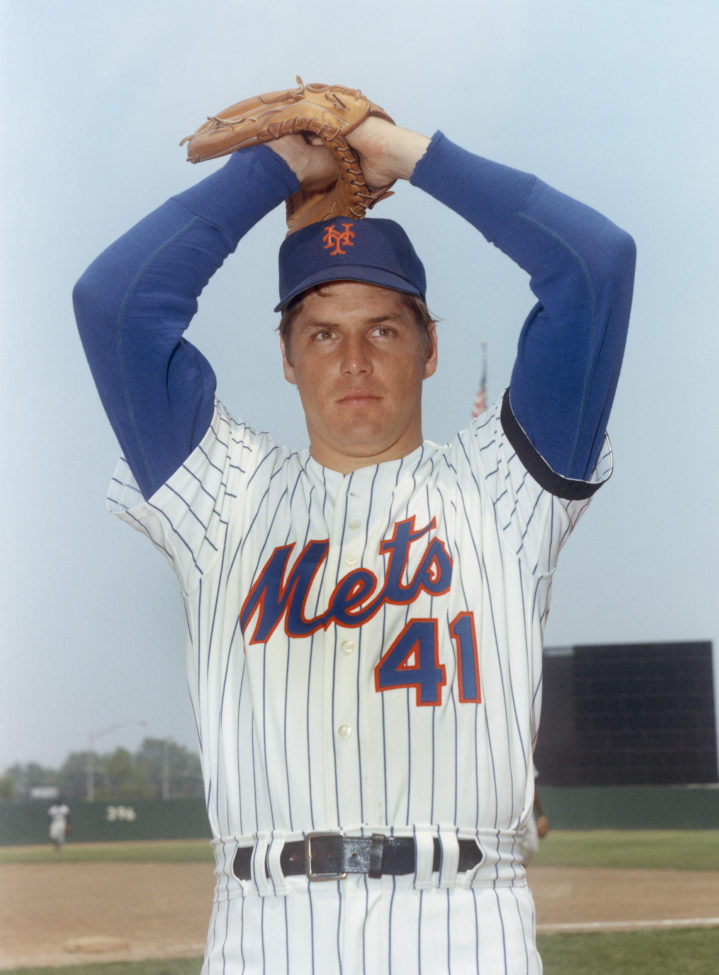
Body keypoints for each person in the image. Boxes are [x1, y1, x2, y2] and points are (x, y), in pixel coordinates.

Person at [73, 91, 635, 974]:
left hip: (467, 925)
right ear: (289, 359)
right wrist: (276, 169)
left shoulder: (506, 483)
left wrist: (398, 150)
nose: (355, 360)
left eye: (383, 327)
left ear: (430, 346)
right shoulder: (223, 489)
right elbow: (114, 305)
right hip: (267, 931)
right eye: (323, 333)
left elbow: (595, 267)